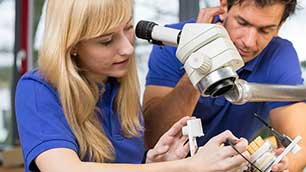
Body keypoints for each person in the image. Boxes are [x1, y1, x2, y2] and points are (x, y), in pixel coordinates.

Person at [14, 0, 252, 172]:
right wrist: (187, 166)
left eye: (128, 28)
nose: (127, 48)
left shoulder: (118, 89)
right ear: (72, 45)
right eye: (106, 40)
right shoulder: (38, 89)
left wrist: (155, 163)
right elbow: (64, 169)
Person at [143, 0, 306, 171]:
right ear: (224, 6)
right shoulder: (172, 40)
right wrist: (197, 58)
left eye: (265, 30)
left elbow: (298, 145)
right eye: (242, 23)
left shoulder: (278, 56)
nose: (249, 42)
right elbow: (154, 139)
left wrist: (283, 167)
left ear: (280, 25)